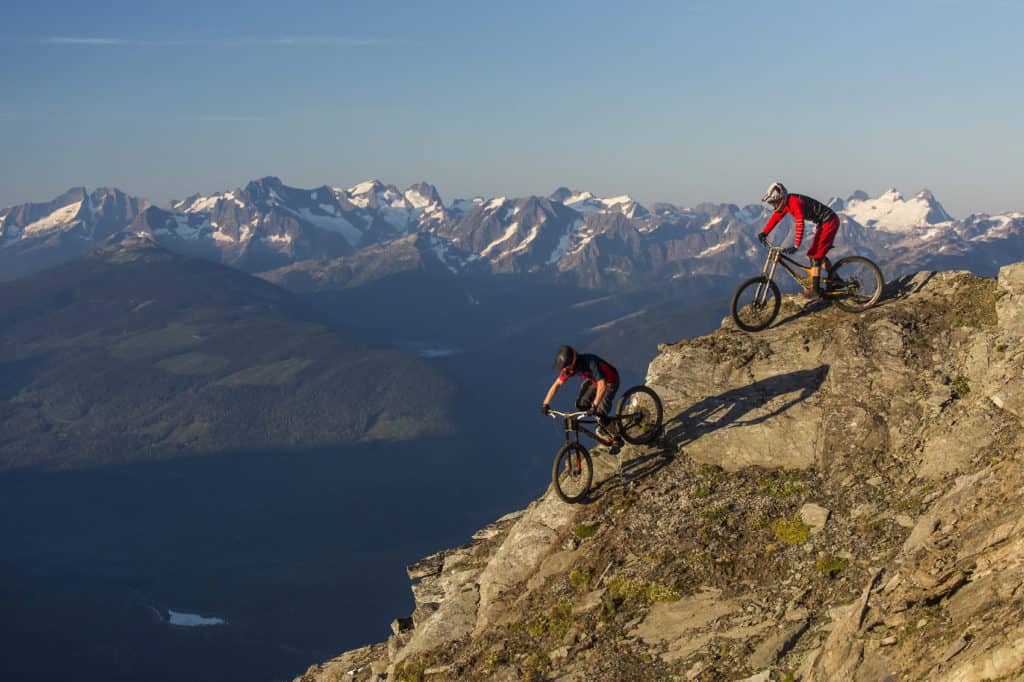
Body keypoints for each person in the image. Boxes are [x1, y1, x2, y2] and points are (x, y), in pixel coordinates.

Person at [758, 181, 840, 299]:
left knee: (815, 255)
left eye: (774, 202)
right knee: (816, 254)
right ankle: (835, 280)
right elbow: (777, 217)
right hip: (824, 222)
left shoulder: (794, 202)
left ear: (781, 198)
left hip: (829, 222)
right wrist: (765, 232)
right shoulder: (786, 203)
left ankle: (815, 290)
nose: (773, 205)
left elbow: (800, 223)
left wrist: (796, 245)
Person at [541, 345, 622, 446]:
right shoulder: (569, 369)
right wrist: (545, 404)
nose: (564, 369)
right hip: (594, 382)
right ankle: (604, 421)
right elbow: (556, 385)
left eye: (565, 366)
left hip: (610, 382)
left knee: (601, 415)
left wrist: (595, 406)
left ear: (572, 362)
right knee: (581, 404)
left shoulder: (590, 362)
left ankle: (616, 436)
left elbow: (602, 384)